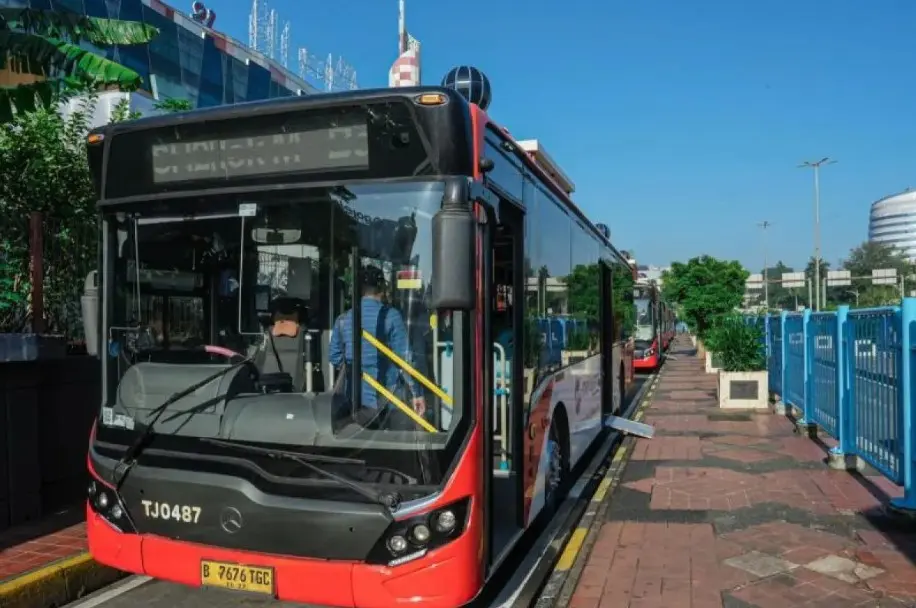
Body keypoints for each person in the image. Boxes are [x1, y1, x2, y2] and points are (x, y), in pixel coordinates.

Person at [329, 265, 426, 427]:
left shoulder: (343, 319)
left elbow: (334, 356)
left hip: (354, 401)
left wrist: (357, 372)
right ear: (382, 288)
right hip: (388, 400)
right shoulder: (392, 316)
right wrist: (417, 393)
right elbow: (406, 359)